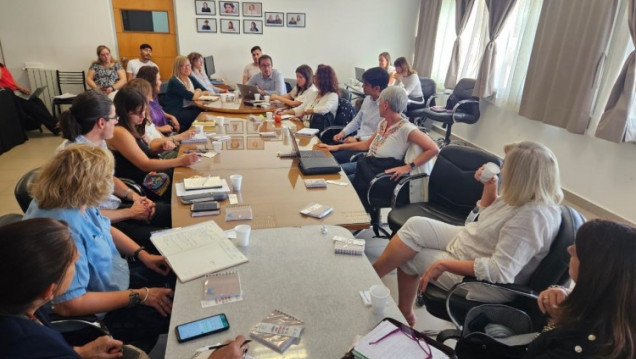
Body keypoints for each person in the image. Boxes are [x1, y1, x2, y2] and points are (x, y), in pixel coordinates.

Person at [372, 140, 563, 327]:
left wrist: (445, 264)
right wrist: (490, 187)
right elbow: (488, 217)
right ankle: (371, 275)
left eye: (506, 165)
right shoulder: (523, 195)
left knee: (410, 257)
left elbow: (500, 271)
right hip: (475, 243)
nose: (502, 168)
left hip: (485, 283)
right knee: (415, 226)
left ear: (520, 176)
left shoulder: (532, 218)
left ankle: (403, 313)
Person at [23, 144, 176, 352]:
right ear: (91, 184)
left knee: (175, 276)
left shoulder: (74, 197)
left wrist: (144, 255)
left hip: (114, 279)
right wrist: (142, 295)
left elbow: (104, 228)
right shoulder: (64, 228)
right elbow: (69, 304)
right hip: (99, 312)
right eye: (107, 178)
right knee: (177, 306)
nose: (110, 184)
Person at [58, 89, 172, 251]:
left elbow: (109, 179)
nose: (117, 121)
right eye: (114, 118)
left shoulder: (99, 142)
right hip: (104, 224)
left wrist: (134, 197)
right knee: (168, 238)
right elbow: (86, 217)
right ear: (101, 123)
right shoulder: (76, 160)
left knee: (171, 212)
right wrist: (131, 213)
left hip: (117, 208)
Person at [0, 219, 125, 358]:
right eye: (72, 262)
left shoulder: (21, 298)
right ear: (48, 291)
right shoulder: (30, 342)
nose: (79, 256)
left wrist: (80, 353)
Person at [525, 220, 636, 359]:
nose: (570, 249)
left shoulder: (580, 347)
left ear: (594, 268)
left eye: (578, 249)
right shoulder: (616, 311)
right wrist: (565, 292)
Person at [319, 86, 439, 212]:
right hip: (369, 165)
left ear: (386, 105)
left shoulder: (406, 129)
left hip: (380, 174)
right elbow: (366, 145)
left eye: (379, 103)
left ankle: (353, 216)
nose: (378, 106)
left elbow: (433, 149)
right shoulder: (384, 123)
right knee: (335, 174)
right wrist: (336, 146)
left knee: (339, 184)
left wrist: (408, 167)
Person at [107, 86, 199, 201]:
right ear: (123, 112)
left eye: (144, 111)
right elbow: (145, 164)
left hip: (152, 174)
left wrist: (161, 148)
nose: (143, 116)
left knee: (192, 180)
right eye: (137, 113)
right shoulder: (119, 132)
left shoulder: (132, 125)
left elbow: (147, 150)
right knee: (186, 190)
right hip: (143, 182)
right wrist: (180, 161)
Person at [330, 67, 389, 163]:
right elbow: (357, 120)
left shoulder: (386, 108)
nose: (362, 86)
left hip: (367, 147)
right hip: (357, 141)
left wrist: (357, 139)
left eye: (366, 84)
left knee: (331, 159)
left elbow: (380, 135)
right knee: (327, 152)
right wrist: (343, 133)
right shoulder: (367, 99)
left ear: (377, 88)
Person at [0, 62, 59, 134]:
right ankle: (54, 125)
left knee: (37, 100)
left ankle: (54, 124)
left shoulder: (3, 67)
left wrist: (22, 88)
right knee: (30, 105)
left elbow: (12, 81)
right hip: (8, 94)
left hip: (17, 92)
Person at [164, 55, 209, 130]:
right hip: (177, 112)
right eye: (183, 66)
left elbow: (206, 91)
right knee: (202, 116)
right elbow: (192, 97)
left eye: (188, 65)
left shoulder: (190, 78)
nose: (187, 68)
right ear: (178, 68)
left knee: (207, 112)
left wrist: (198, 92)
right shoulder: (174, 81)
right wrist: (198, 90)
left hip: (190, 108)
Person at [137, 65, 180, 134]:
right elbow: (144, 128)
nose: (160, 82)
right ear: (151, 83)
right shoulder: (141, 103)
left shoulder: (153, 96)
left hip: (165, 135)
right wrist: (161, 129)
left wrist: (171, 117)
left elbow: (158, 110)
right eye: (159, 80)